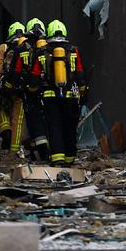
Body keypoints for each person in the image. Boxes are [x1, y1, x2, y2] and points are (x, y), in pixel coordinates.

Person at [30, 19, 86, 166]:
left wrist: (32, 90)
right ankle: (70, 158)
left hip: (50, 97)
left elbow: (35, 76)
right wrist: (82, 92)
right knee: (69, 126)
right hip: (71, 96)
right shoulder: (73, 50)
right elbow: (80, 73)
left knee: (54, 126)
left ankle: (58, 159)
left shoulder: (42, 51)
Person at [11, 17, 51, 162]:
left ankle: (38, 152)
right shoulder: (47, 48)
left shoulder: (22, 48)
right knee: (49, 119)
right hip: (47, 89)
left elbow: (15, 71)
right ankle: (49, 151)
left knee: (33, 121)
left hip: (29, 90)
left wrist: (13, 88)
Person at [0, 21, 27, 153]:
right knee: (18, 118)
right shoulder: (27, 47)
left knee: (0, 108)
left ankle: (5, 131)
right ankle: (15, 148)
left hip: (5, 85)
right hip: (21, 87)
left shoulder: (4, 47)